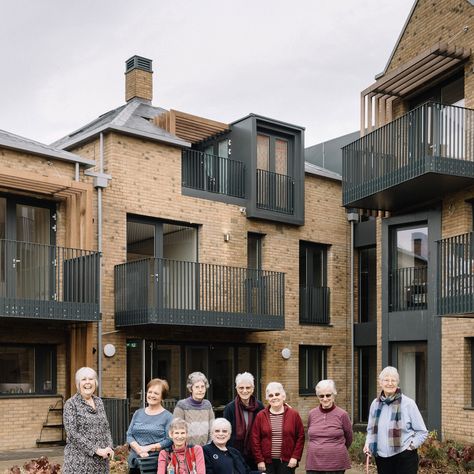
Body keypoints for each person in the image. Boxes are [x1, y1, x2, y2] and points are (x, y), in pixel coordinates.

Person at [363, 366, 428, 474]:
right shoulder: (375, 404)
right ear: (380, 383)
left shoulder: (408, 404)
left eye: (393, 380)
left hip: (404, 457)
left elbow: (422, 432)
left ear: (397, 383)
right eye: (386, 380)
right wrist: (367, 444)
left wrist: (411, 447)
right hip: (382, 458)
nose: (390, 383)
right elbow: (370, 430)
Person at [63, 367, 114, 474]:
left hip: (101, 463)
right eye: (83, 379)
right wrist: (96, 450)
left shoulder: (99, 401)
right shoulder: (71, 404)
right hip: (78, 463)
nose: (88, 382)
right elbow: (72, 434)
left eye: (91, 379)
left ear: (95, 382)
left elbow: (106, 427)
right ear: (78, 384)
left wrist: (109, 447)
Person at [251, 382, 305, 473]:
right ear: (268, 399)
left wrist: (295, 457)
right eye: (271, 395)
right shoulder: (260, 416)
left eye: (277, 394)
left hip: (287, 462)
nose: (274, 397)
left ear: (283, 396)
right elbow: (255, 439)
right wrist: (259, 460)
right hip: (267, 462)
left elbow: (300, 437)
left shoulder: (294, 415)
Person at [126, 378, 173, 473]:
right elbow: (129, 435)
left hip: (155, 464)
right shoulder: (138, 413)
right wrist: (139, 450)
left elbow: (169, 440)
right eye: (150, 392)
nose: (151, 395)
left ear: (162, 397)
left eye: (156, 393)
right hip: (135, 463)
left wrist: (148, 448)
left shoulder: (168, 417)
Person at [305, 379, 353, 474]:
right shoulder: (312, 414)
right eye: (321, 396)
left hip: (336, 464)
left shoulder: (342, 414)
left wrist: (335, 448)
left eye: (328, 395)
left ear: (334, 395)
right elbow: (310, 435)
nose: (325, 398)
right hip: (313, 463)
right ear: (318, 397)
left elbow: (349, 437)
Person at [223, 372, 264, 468]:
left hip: (255, 455)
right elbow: (226, 433)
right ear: (237, 389)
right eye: (241, 388)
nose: (244, 391)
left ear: (253, 389)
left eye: (248, 387)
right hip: (234, 454)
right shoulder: (230, 408)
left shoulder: (260, 407)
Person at [173, 371, 214, 446]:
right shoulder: (182, 405)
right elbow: (176, 430)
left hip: (206, 450)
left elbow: (212, 430)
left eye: (202, 387)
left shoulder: (207, 405)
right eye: (197, 387)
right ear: (191, 389)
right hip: (187, 450)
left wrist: (208, 447)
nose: (200, 390)